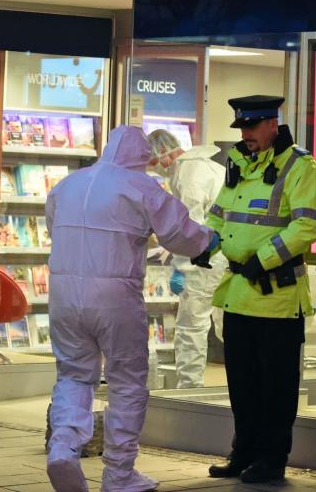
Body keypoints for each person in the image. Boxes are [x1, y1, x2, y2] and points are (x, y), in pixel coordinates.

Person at [45, 125, 218, 492]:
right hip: (115, 296)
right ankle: (119, 474)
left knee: (74, 375)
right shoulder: (140, 186)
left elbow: (53, 227)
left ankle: (63, 446)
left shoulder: (67, 185)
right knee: (126, 382)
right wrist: (209, 241)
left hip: (62, 293)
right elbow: (180, 234)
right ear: (142, 158)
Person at [205, 95, 316, 484]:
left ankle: (271, 460)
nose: (246, 135)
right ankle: (242, 454)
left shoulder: (299, 167)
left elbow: (308, 226)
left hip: (276, 296)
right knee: (242, 386)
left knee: (276, 389)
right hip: (239, 292)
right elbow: (219, 214)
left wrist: (265, 258)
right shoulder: (238, 163)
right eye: (241, 128)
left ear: (273, 124)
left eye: (253, 127)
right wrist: (203, 243)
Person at [147, 129, 227, 388]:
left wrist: (181, 267)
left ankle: (190, 389)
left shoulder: (188, 175)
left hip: (206, 263)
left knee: (192, 326)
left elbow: (192, 229)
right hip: (225, 259)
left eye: (154, 162)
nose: (157, 169)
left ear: (164, 156)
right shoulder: (207, 167)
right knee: (226, 324)